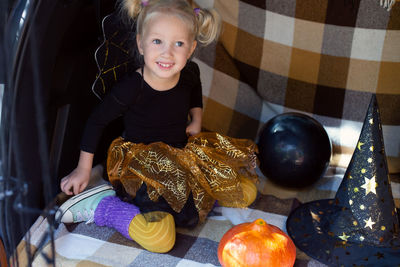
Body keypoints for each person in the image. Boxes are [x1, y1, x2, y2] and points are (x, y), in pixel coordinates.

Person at [56, 0, 258, 253]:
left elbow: (194, 89)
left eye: (179, 44)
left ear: (192, 47)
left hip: (181, 153)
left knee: (245, 192)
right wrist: (83, 169)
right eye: (157, 41)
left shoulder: (188, 73)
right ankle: (104, 207)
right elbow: (97, 121)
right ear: (141, 43)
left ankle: (202, 195)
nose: (167, 53)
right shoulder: (133, 86)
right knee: (162, 239)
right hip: (142, 165)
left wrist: (196, 119)